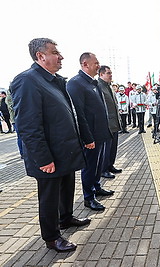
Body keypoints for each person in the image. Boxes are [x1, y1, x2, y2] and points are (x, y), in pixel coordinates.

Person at [10, 38, 89, 252]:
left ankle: (66, 218)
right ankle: (52, 237)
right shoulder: (27, 80)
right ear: (40, 56)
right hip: (49, 156)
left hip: (65, 151)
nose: (61, 56)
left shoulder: (54, 81)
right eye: (55, 52)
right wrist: (43, 158)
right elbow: (27, 125)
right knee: (49, 198)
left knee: (66, 190)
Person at [67, 52, 114, 212]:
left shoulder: (93, 83)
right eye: (96, 63)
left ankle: (96, 187)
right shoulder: (76, 84)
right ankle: (89, 197)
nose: (98, 66)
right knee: (89, 167)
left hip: (101, 134)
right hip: (91, 137)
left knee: (98, 165)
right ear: (85, 64)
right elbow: (78, 114)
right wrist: (87, 138)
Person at [98, 65, 122, 179]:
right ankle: (103, 170)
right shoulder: (98, 87)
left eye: (111, 73)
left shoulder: (109, 87)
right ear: (101, 74)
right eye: (108, 73)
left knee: (113, 148)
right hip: (106, 125)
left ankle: (110, 165)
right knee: (106, 149)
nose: (110, 75)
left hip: (114, 123)